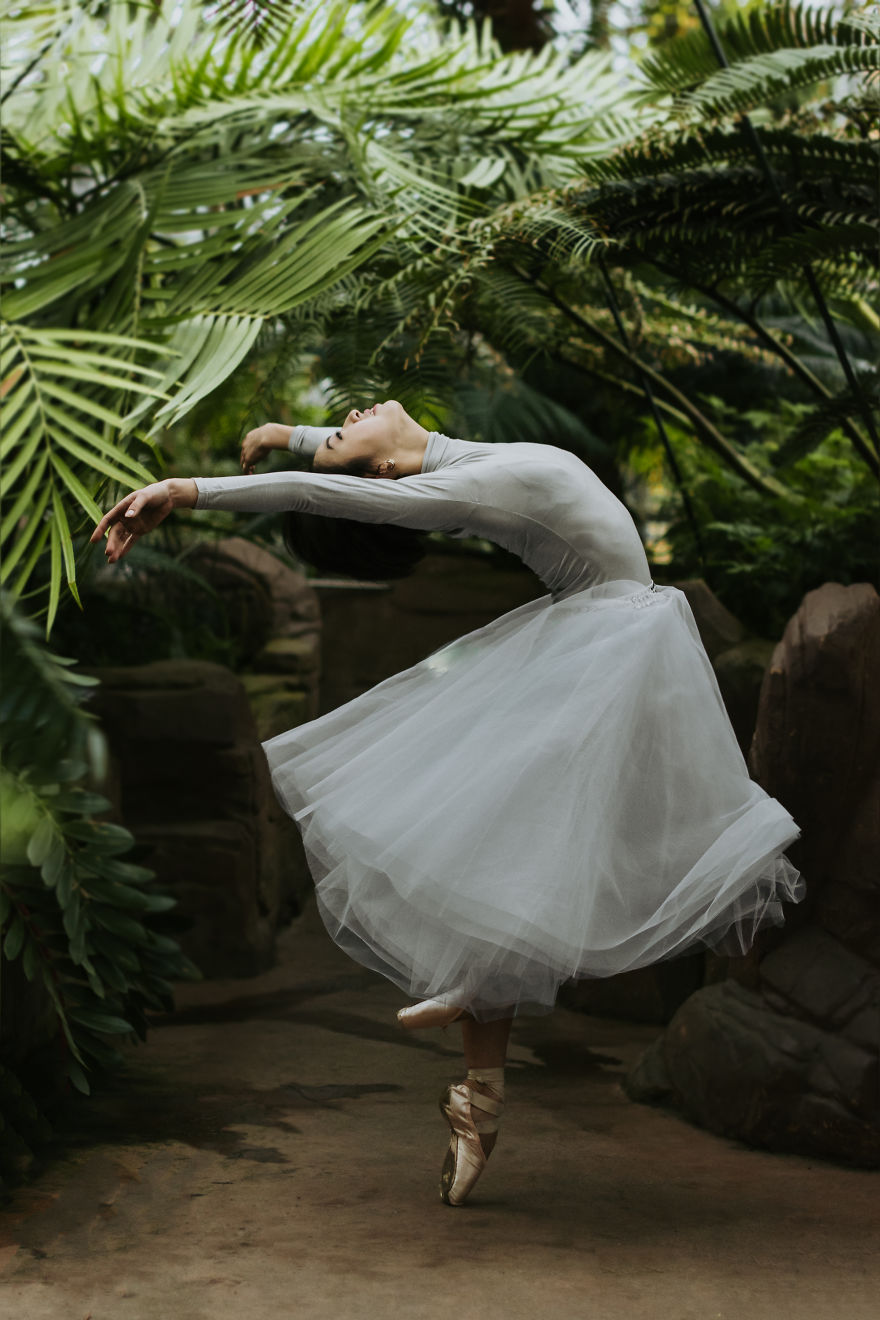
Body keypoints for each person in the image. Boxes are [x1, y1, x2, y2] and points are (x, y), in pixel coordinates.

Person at [91, 399, 804, 1206]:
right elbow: (321, 493)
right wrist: (187, 491)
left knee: (502, 844)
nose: (347, 416)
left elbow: (336, 460)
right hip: (611, 642)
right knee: (502, 844)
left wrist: (283, 437)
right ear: (387, 472)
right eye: (339, 438)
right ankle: (479, 1082)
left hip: (605, 637)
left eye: (336, 430)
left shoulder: (454, 456)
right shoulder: (460, 490)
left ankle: (478, 1079)